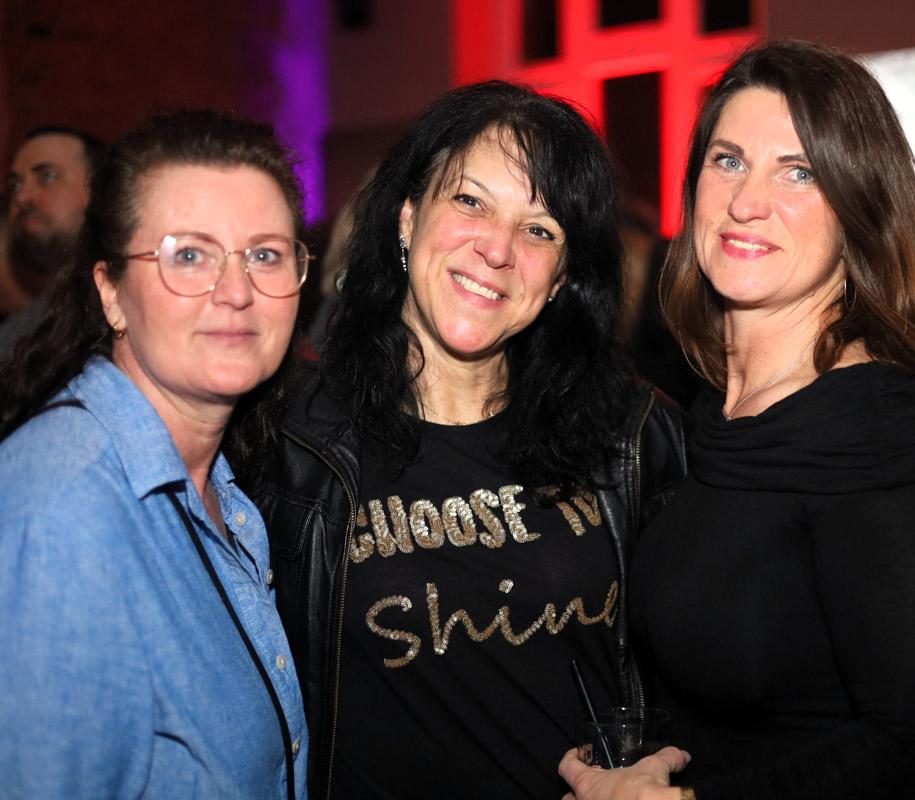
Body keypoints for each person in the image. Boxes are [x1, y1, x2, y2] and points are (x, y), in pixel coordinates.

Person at [250, 81, 687, 798]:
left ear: (562, 278)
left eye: (540, 230)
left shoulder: (632, 437)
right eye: (470, 201)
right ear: (407, 216)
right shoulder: (286, 438)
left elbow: (709, 677)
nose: (497, 249)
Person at [562, 40, 915, 799]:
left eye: (799, 171)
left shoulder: (872, 428)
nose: (747, 201)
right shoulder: (715, 411)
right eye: (728, 161)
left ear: (860, 208)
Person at [0, 110, 310, 798]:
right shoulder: (59, 516)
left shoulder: (222, 487)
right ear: (111, 292)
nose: (237, 292)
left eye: (265, 254)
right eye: (189, 255)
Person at [1, 126, 104, 359]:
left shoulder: (136, 301)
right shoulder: (14, 338)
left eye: (46, 177)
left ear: (98, 188)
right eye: (15, 185)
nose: (21, 197)